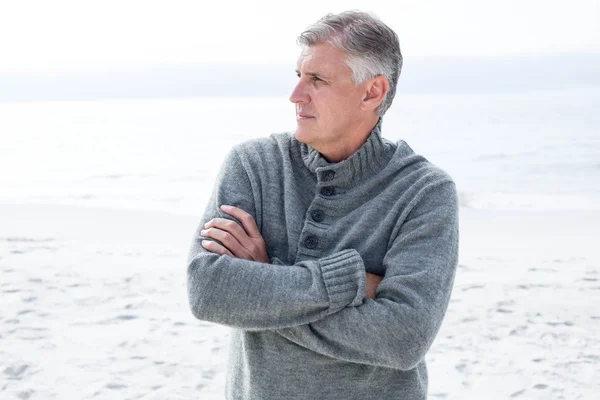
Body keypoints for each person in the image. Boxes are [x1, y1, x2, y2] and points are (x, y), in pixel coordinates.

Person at [186, 10, 459, 400]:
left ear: (372, 93)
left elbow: (403, 339)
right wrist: (350, 281)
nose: (296, 95)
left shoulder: (424, 192)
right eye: (299, 76)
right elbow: (209, 292)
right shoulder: (253, 165)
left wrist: (264, 279)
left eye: (317, 80)